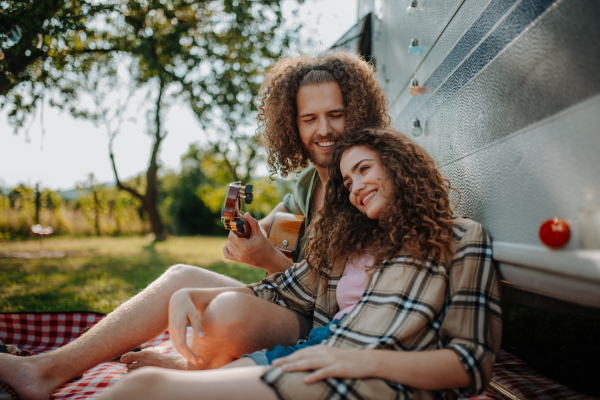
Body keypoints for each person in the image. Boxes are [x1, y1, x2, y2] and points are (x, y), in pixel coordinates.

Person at [0, 51, 391, 400]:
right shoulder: (308, 185)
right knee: (179, 276)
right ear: (293, 125)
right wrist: (247, 234)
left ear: (356, 113)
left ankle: (192, 369)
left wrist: (269, 258)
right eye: (309, 118)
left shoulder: (366, 185)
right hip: (292, 305)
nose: (323, 130)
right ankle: (47, 369)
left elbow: (338, 305)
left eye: (335, 115)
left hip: (324, 326)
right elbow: (273, 231)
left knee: (226, 313)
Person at [96, 126, 502, 400]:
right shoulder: (353, 243)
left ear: (400, 166)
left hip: (361, 377)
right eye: (348, 181)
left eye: (364, 169)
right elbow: (281, 288)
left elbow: (470, 362)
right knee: (148, 387)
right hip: (312, 353)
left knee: (146, 389)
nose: (357, 187)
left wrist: (361, 360)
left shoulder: (462, 238)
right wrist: (192, 293)